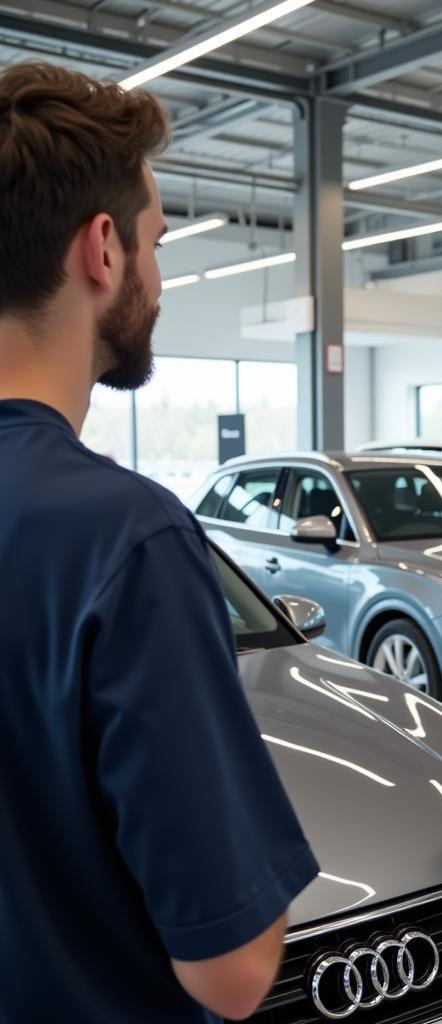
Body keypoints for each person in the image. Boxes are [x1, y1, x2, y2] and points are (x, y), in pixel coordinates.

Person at [0, 63, 319, 1021]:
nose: (160, 277)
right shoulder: (124, 537)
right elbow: (232, 968)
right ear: (102, 249)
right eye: (158, 242)